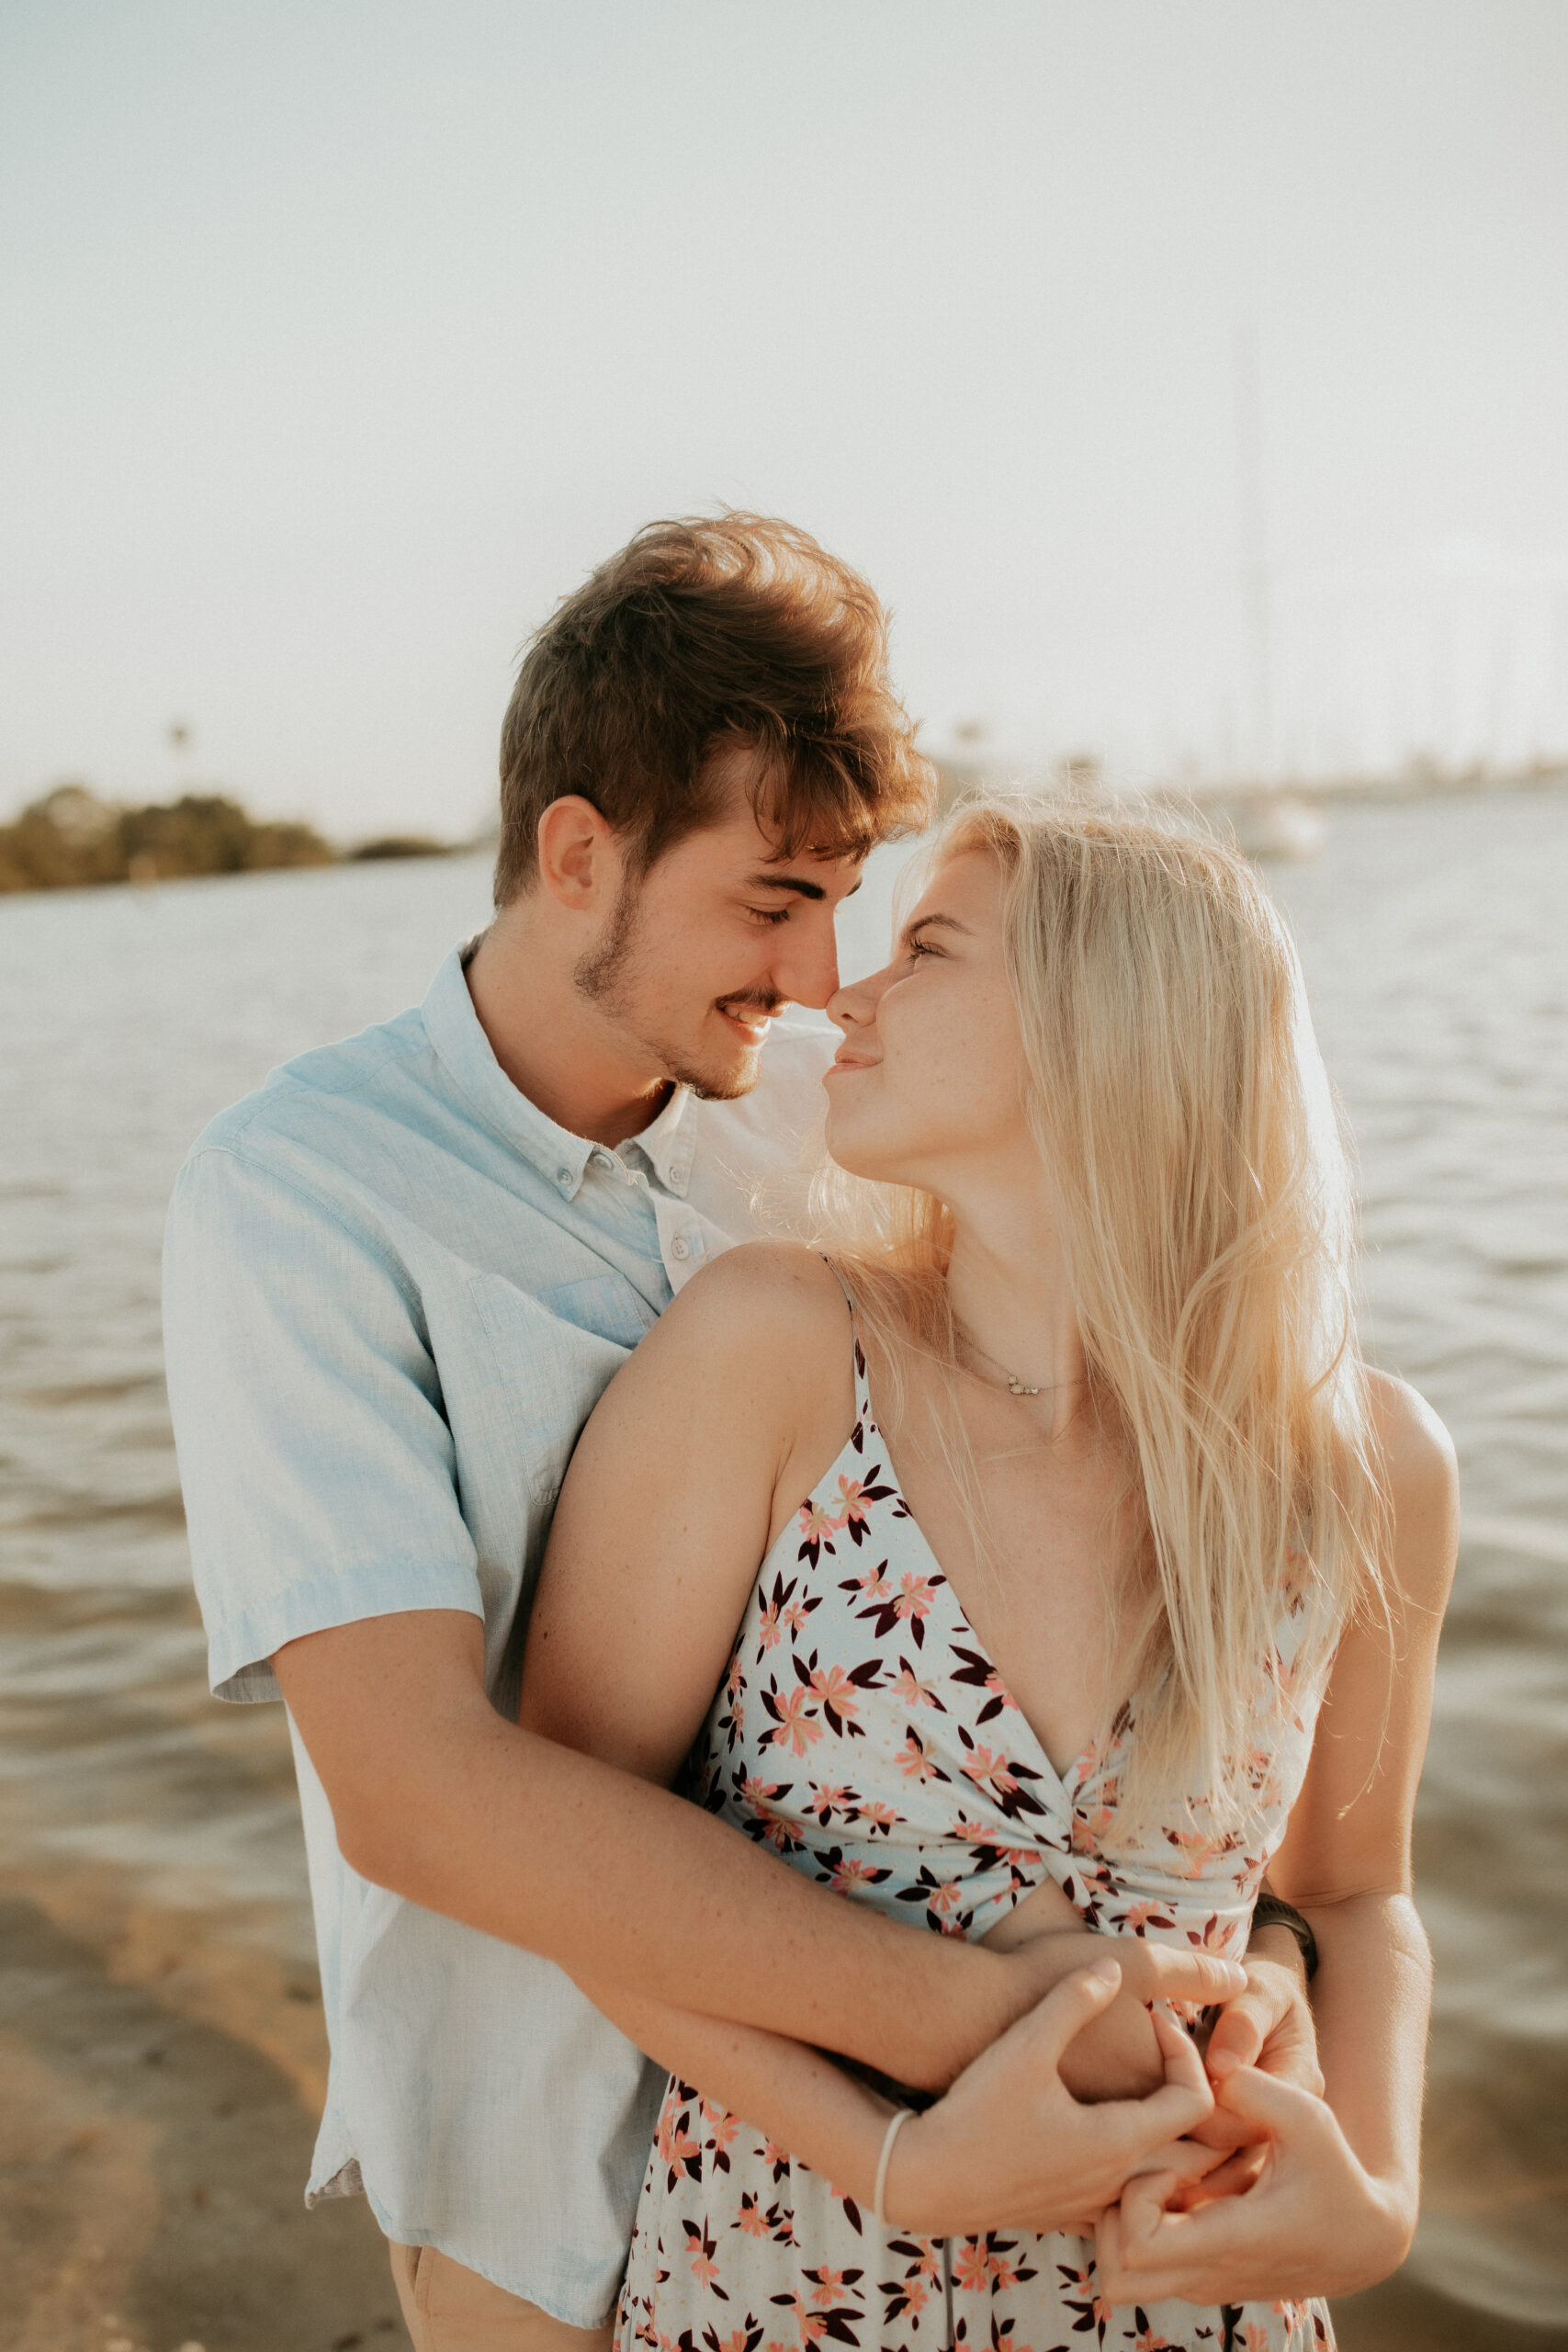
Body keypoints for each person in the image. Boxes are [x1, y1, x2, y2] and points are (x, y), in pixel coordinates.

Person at [164, 517, 1291, 2352]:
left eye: (852, 895)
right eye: (772, 897)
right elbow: (412, 1784)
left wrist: (1245, 1970)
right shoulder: (296, 1195)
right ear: (579, 852)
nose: (820, 965)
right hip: (543, 2170)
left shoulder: (813, 1122)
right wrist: (991, 2020)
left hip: (925, 2188)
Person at [520, 797, 1460, 2350]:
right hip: (800, 2280)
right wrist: (893, 2160)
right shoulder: (780, 1348)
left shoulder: (1365, 1464)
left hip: (1200, 2298)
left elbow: (1353, 1896)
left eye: (928, 949)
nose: (842, 995)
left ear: (1110, 1025)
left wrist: (1377, 2194)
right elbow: (567, 1851)